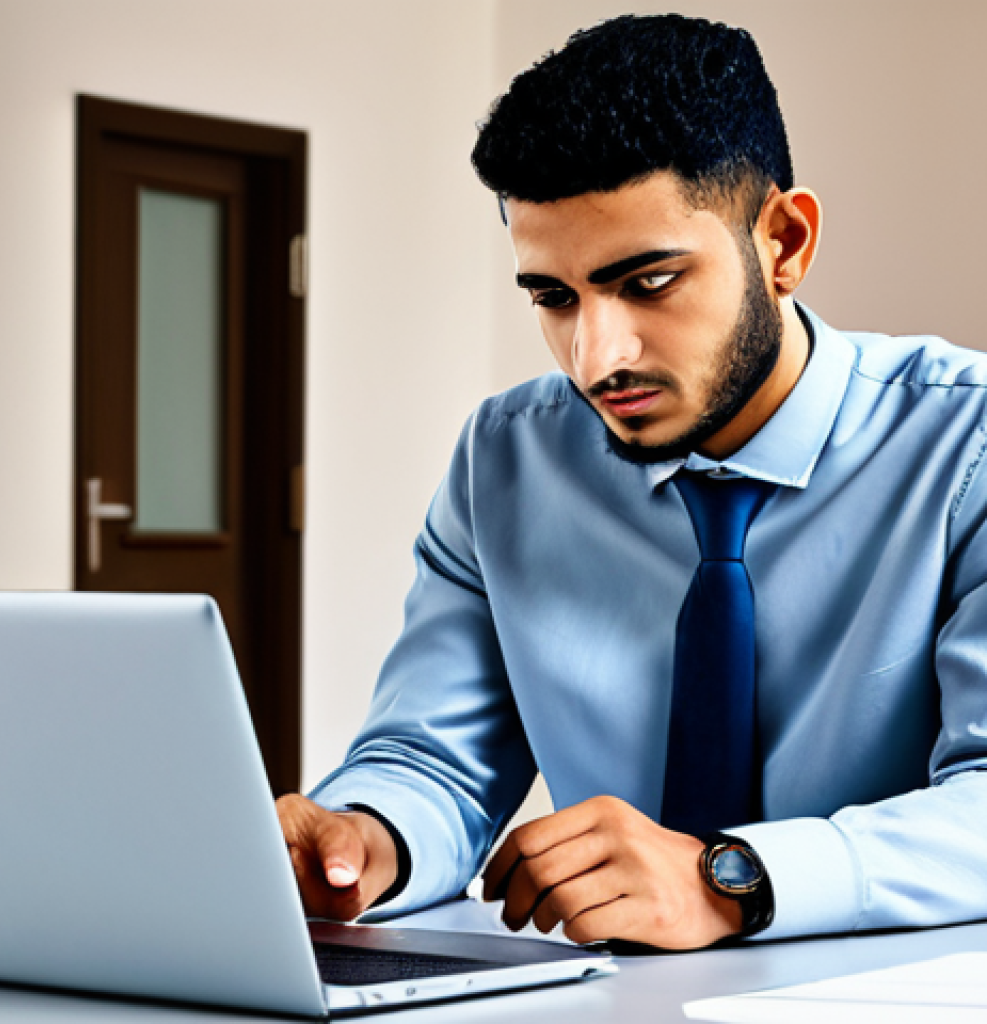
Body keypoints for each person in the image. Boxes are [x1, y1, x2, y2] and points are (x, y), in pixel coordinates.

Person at [277, 13, 987, 950]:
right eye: (554, 297)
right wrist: (364, 841)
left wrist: (728, 882)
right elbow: (436, 762)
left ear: (783, 242)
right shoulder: (507, 460)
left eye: (647, 282)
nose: (595, 356)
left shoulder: (965, 445)